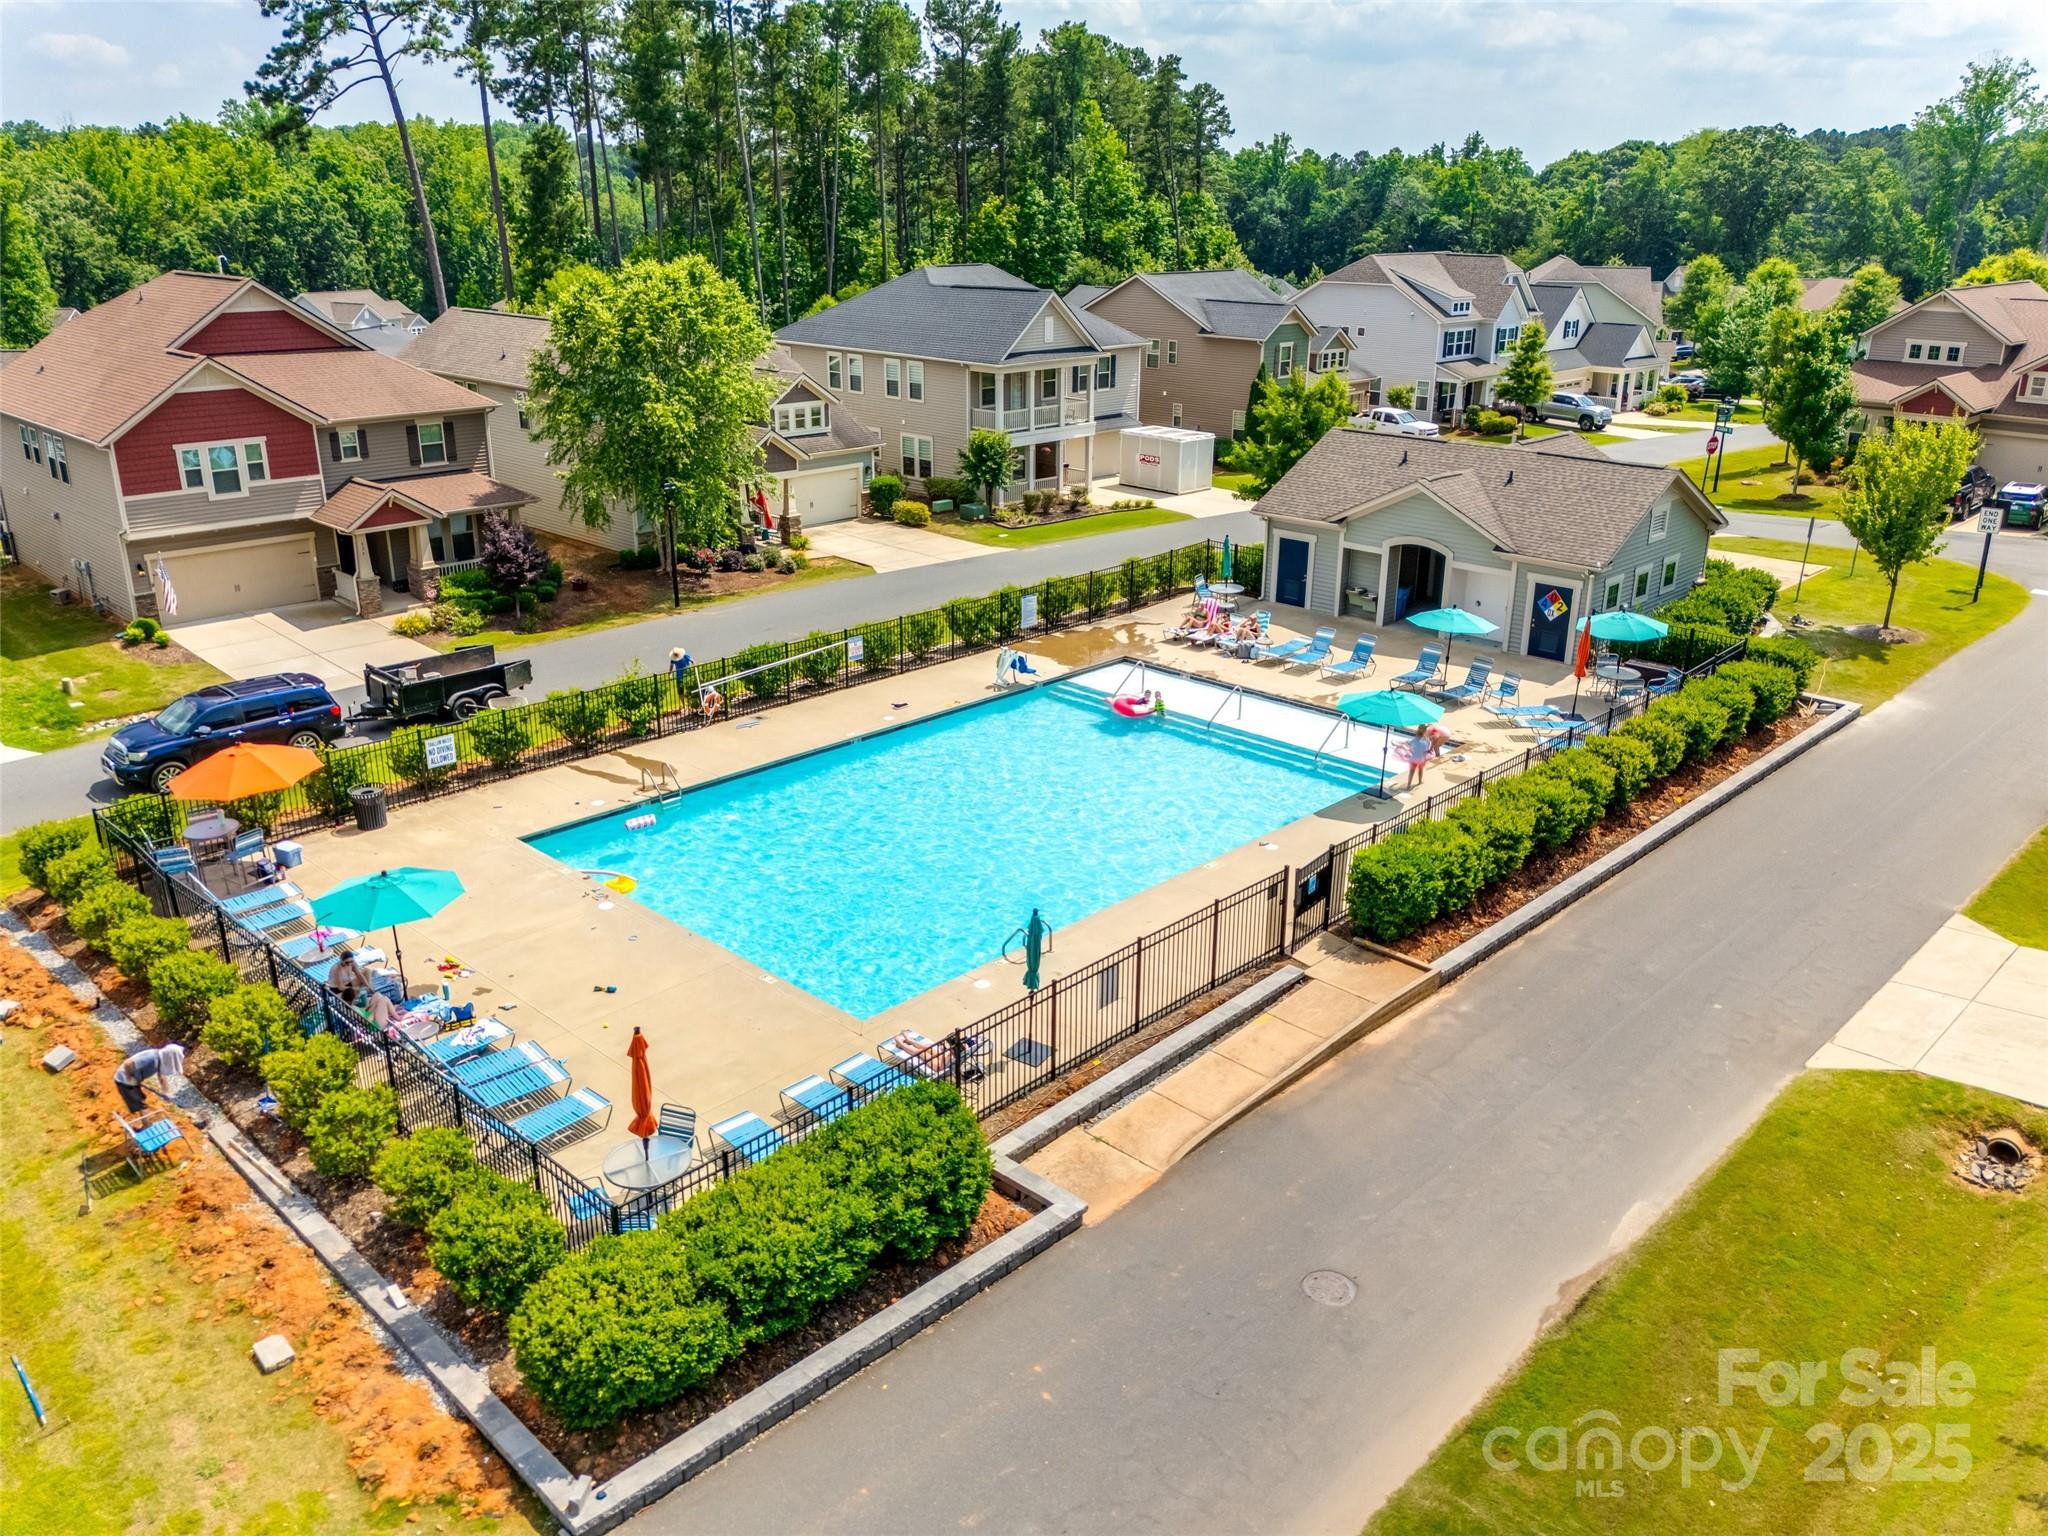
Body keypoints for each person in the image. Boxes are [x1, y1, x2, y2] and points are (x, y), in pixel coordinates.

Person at [113, 1043, 187, 1116]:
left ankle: (146, 1122)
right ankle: (147, 1125)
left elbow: (162, 1077)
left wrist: (166, 1093)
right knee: (138, 1103)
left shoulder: (160, 1059)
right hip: (123, 1080)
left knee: (140, 1099)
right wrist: (128, 1078)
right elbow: (127, 1063)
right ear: (170, 1056)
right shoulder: (151, 1058)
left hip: (135, 1079)